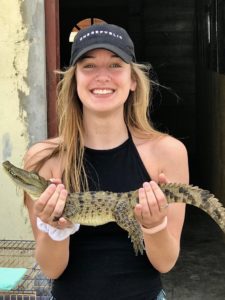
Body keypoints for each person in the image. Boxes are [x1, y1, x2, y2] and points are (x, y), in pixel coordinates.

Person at [24, 23, 189, 300]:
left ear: (133, 80)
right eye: (88, 66)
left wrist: (154, 226)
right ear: (74, 79)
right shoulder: (43, 158)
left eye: (115, 65)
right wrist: (55, 229)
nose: (102, 76)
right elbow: (52, 270)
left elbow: (165, 262)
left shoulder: (168, 153)